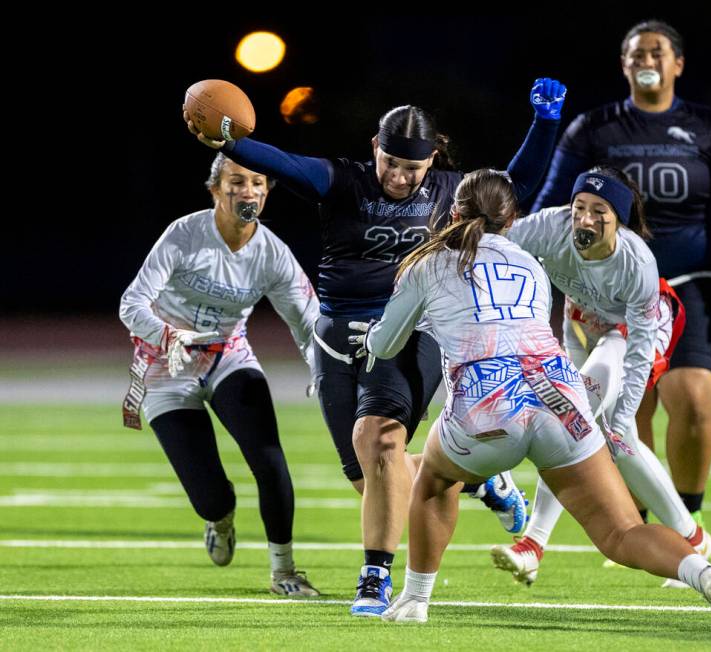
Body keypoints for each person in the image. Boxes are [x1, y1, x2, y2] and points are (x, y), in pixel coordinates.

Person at [184, 78, 568, 616]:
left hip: (412, 334)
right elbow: (285, 162)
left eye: (411, 167)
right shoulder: (343, 181)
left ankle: (374, 578)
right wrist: (227, 141)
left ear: (432, 159)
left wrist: (545, 122)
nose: (398, 175)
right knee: (370, 478)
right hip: (338, 338)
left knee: (381, 440)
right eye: (389, 162)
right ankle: (481, 482)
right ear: (374, 149)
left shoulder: (448, 194)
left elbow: (515, 184)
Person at [349, 169, 711, 632]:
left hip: (489, 406)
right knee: (622, 533)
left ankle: (415, 598)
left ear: (454, 213)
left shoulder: (428, 263)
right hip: (560, 399)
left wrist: (372, 335)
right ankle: (702, 573)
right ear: (512, 220)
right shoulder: (530, 264)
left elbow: (386, 345)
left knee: (434, 478)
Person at [532, 20, 711, 528]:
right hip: (611, 293)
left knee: (691, 401)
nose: (646, 62)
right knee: (629, 413)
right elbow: (550, 204)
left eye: (657, 53)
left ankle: (689, 519)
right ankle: (640, 526)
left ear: (678, 64)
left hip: (691, 285)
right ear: (623, 64)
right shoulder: (594, 128)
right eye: (636, 54)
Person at [491, 167, 711, 588]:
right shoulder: (548, 227)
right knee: (616, 438)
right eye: (579, 208)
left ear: (620, 219)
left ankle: (533, 546)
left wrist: (625, 413)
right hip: (578, 325)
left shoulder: (637, 264)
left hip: (635, 333)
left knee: (577, 421)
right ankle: (693, 538)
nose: (585, 220)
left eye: (600, 211)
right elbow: (492, 248)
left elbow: (638, 354)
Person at [119, 153, 320, 598]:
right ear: (214, 189)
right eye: (236, 181)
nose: (247, 191)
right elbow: (131, 304)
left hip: (228, 357)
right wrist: (168, 333)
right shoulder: (184, 234)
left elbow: (309, 324)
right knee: (209, 497)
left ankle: (284, 571)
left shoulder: (272, 253)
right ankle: (220, 518)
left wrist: (323, 370)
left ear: (267, 192)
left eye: (257, 182)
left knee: (270, 460)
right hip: (166, 366)